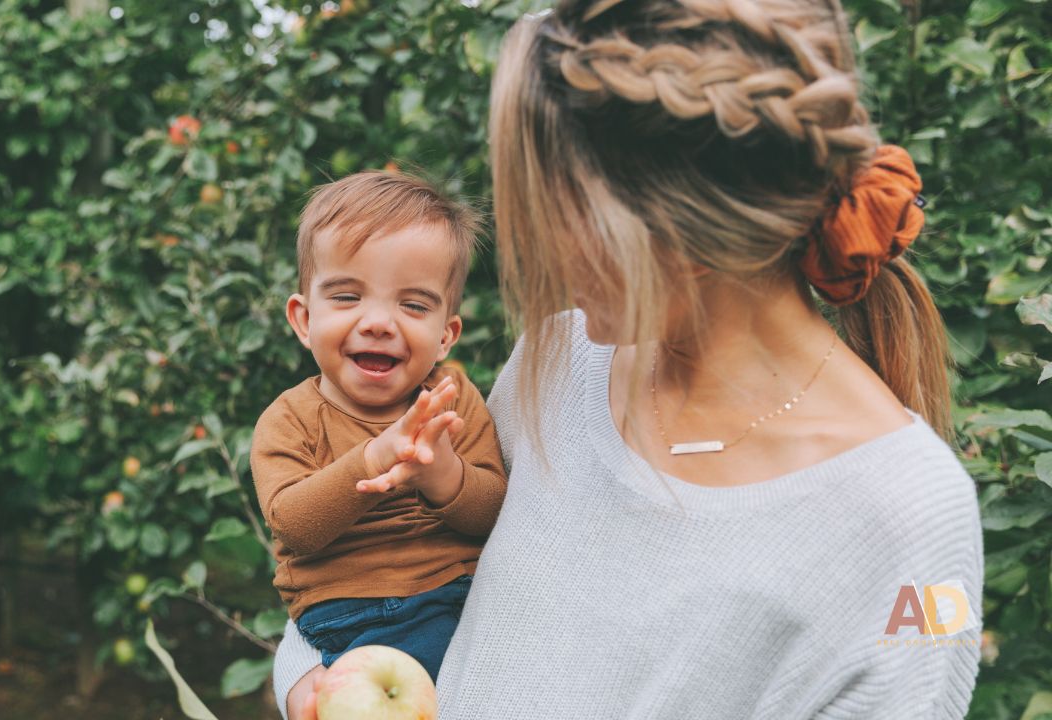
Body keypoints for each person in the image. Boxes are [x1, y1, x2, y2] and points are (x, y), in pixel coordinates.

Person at [275, 0, 983, 718]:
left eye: (558, 210)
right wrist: (313, 682)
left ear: (677, 220)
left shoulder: (915, 520)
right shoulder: (560, 362)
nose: (542, 253)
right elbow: (396, 572)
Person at [250, 170, 508, 695]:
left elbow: (494, 514)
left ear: (445, 335)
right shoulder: (290, 418)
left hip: (457, 594)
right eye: (347, 297)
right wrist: (373, 459)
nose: (378, 322)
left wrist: (445, 475)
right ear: (303, 319)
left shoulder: (452, 400)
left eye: (413, 305)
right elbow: (293, 527)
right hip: (353, 615)